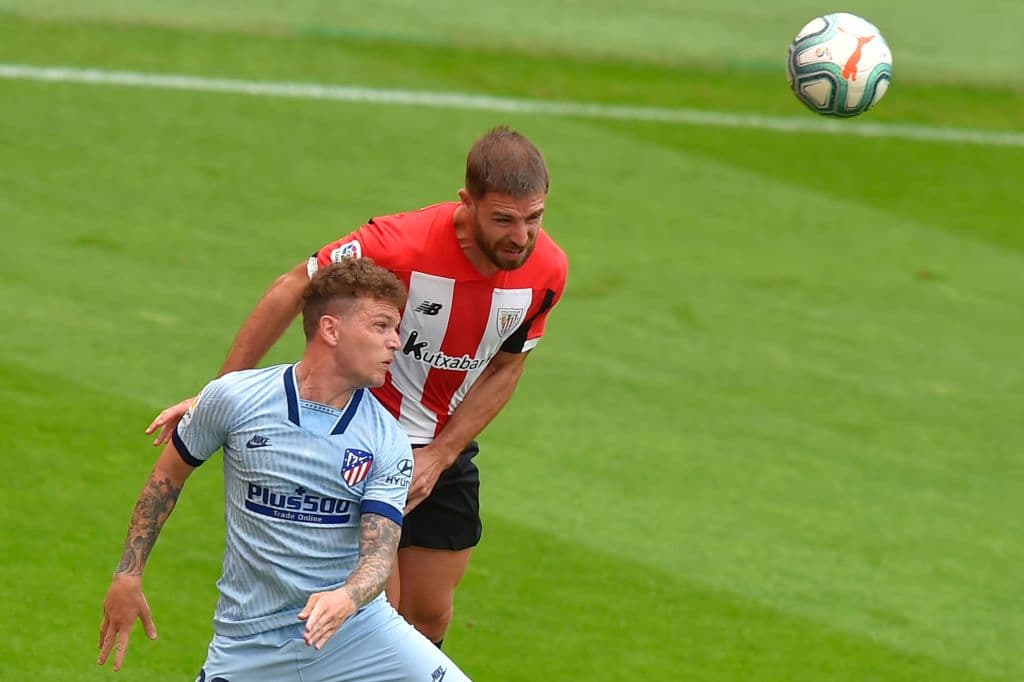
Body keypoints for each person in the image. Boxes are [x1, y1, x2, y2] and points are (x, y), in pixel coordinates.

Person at [148, 125, 569, 647]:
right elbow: (292, 287)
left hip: (441, 452)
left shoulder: (548, 270)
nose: (521, 237)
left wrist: (441, 453)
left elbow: (507, 366)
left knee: (430, 615)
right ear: (468, 202)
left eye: (534, 218)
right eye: (504, 220)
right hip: (360, 445)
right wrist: (220, 391)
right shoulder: (395, 243)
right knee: (374, 616)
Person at [99, 259, 471, 681]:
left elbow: (380, 554)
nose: (396, 343)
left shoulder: (386, 439)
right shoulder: (236, 399)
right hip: (249, 645)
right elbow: (167, 478)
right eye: (382, 326)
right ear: (331, 330)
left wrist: (347, 598)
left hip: (358, 636)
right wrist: (128, 575)